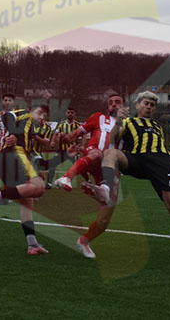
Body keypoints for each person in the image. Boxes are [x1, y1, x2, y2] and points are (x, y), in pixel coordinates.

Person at [83, 91, 170, 268]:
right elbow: (113, 139)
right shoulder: (129, 122)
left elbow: (160, 147)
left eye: (152, 105)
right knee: (111, 153)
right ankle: (105, 189)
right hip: (138, 159)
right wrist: (118, 121)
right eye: (146, 103)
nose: (149, 107)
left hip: (160, 162)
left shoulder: (157, 125)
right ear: (138, 105)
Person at [53, 96, 128, 259]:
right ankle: (67, 177)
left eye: (117, 102)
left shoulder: (130, 124)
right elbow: (75, 134)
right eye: (110, 102)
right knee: (96, 154)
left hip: (111, 169)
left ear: (125, 105)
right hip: (94, 154)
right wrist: (64, 138)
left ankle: (84, 241)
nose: (113, 104)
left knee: (104, 219)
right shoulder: (98, 117)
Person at [0, 104, 49, 255]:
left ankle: (32, 244)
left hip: (13, 159)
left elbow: (31, 152)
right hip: (11, 156)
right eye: (39, 113)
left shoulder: (31, 132)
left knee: (27, 202)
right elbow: (7, 116)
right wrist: (12, 133)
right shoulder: (25, 114)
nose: (41, 117)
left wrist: (41, 165)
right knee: (39, 188)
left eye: (44, 115)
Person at [47, 106, 82, 188]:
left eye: (72, 113)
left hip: (73, 151)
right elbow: (55, 134)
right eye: (68, 112)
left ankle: (88, 181)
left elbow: (82, 136)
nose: (70, 114)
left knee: (79, 166)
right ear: (66, 113)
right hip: (62, 150)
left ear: (74, 114)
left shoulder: (78, 125)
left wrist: (81, 146)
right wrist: (52, 141)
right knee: (52, 165)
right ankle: (49, 183)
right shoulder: (61, 124)